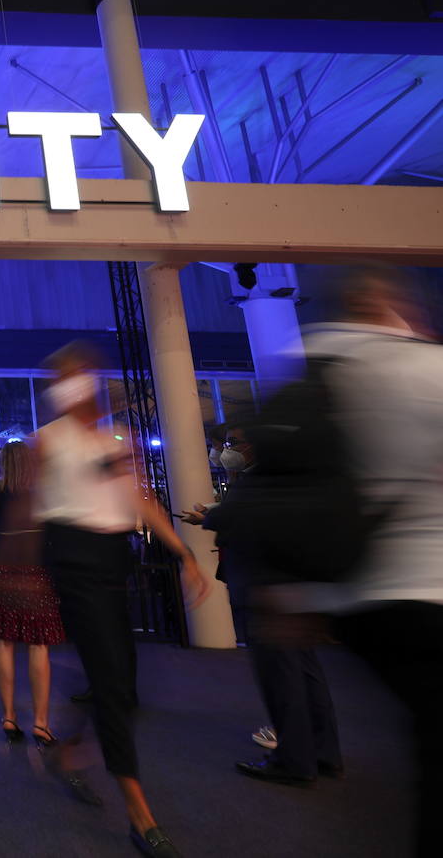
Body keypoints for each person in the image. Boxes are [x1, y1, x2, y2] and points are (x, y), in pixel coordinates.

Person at [34, 341, 209, 858]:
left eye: (87, 375)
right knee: (112, 684)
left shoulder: (116, 440)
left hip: (114, 563)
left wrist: (183, 552)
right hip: (74, 564)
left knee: (120, 683)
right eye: (71, 377)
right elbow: (31, 509)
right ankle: (139, 812)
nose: (83, 385)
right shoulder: (49, 440)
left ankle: (67, 753)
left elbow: (138, 497)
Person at [299, 266, 442, 856]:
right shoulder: (426, 370)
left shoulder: (316, 373)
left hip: (355, 595)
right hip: (429, 583)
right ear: (393, 307)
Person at [190, 420, 344, 788]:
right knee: (307, 675)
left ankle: (293, 761)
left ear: (254, 448)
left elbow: (230, 517)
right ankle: (324, 753)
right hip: (293, 590)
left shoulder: (257, 482)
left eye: (233, 443)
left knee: (282, 679)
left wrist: (206, 516)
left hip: (263, 592)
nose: (227, 450)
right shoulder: (291, 482)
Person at [0, 441, 65, 747]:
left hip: (2, 571)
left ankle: (9, 716)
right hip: (36, 572)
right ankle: (41, 723)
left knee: (4, 642)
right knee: (38, 645)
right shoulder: (42, 493)